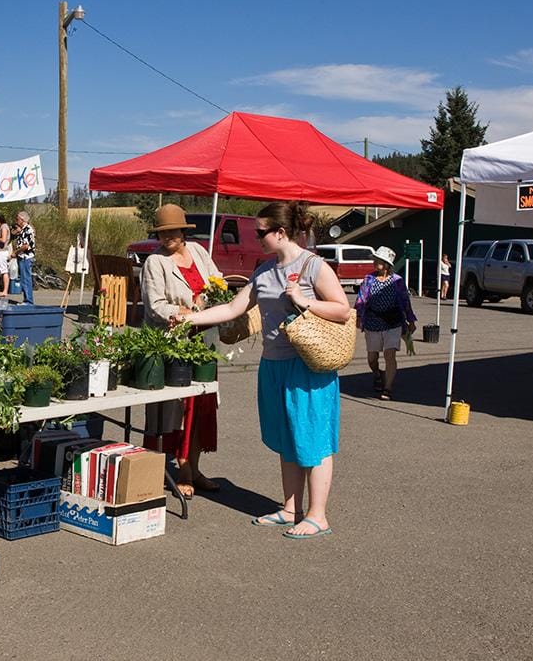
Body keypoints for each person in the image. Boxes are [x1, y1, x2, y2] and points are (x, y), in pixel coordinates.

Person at [177, 201, 350, 539]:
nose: (256, 238)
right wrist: (189, 318)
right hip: (274, 365)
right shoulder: (265, 271)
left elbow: (343, 310)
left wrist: (304, 301)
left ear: (281, 233)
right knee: (286, 438)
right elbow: (232, 307)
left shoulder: (314, 266)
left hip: (307, 366)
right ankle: (290, 509)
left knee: (311, 440)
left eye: (261, 232)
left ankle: (318, 515)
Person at [140, 204, 222, 498]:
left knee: (200, 408)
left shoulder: (198, 252)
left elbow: (217, 280)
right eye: (162, 234)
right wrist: (185, 311)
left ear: (183, 231)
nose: (166, 238)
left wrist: (215, 296)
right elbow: (155, 305)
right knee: (174, 410)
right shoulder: (155, 262)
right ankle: (179, 471)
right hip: (173, 344)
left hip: (204, 340)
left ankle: (194, 469)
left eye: (172, 232)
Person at [354, 246, 416, 401]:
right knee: (372, 358)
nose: (376, 263)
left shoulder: (397, 281)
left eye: (379, 261)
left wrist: (411, 319)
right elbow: (361, 299)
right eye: (375, 260)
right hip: (373, 323)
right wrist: (358, 316)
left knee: (390, 355)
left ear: (387, 264)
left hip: (392, 322)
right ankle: (377, 373)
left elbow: (405, 301)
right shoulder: (369, 279)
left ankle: (387, 388)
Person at [11, 211, 36, 304]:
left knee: (26, 279)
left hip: (26, 257)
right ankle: (26, 299)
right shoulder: (23, 230)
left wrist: (15, 252)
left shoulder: (27, 230)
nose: (16, 221)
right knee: (24, 278)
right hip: (22, 257)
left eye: (17, 219)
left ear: (22, 219)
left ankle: (28, 300)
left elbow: (25, 246)